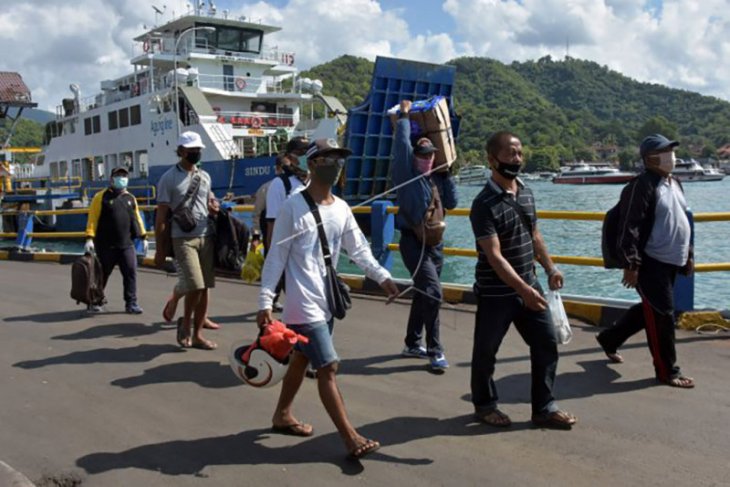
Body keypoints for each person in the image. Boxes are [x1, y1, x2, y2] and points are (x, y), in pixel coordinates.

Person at [257, 138, 399, 460]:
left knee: (302, 359)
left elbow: (359, 250)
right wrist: (265, 301)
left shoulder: (341, 208)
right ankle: (350, 437)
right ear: (311, 164)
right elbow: (276, 257)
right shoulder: (294, 206)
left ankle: (282, 414)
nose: (335, 164)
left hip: (327, 302)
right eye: (327, 158)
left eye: (339, 158)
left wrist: (383, 277)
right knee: (329, 367)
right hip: (302, 305)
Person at [469, 131, 576, 429]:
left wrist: (550, 268)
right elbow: (494, 256)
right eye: (509, 153)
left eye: (519, 153)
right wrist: (524, 290)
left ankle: (544, 407)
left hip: (530, 284)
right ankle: (484, 405)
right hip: (496, 292)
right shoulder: (483, 204)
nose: (516, 159)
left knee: (546, 344)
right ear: (492, 160)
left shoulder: (527, 192)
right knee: (486, 351)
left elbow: (535, 235)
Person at [596, 134, 694, 388]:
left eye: (672, 151)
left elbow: (681, 219)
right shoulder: (641, 185)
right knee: (663, 314)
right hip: (651, 261)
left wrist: (688, 254)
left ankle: (609, 339)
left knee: (650, 308)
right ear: (649, 158)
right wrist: (631, 264)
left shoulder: (674, 183)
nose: (671, 156)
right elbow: (631, 226)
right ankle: (667, 371)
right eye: (665, 152)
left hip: (672, 259)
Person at [392, 99, 457, 371]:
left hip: (435, 245)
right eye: (421, 155)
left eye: (430, 154)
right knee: (433, 292)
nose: (426, 159)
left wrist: (449, 173)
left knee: (423, 293)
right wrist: (405, 116)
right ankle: (435, 350)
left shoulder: (437, 178)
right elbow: (402, 145)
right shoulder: (405, 174)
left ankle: (411, 342)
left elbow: (452, 202)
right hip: (413, 242)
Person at [154, 131, 217, 350]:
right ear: (181, 152)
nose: (196, 154)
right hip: (183, 238)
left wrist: (214, 205)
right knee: (195, 285)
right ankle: (186, 324)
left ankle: (198, 335)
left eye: (198, 150)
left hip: (205, 236)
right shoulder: (168, 178)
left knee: (205, 287)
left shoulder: (205, 176)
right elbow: (161, 216)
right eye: (192, 151)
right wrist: (160, 250)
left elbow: (209, 199)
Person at [84, 166, 147, 314]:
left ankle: (131, 303)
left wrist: (143, 237)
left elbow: (136, 218)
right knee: (102, 274)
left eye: (124, 175)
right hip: (106, 245)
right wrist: (89, 238)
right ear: (112, 178)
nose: (121, 178)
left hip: (126, 244)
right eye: (118, 175)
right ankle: (95, 301)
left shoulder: (130, 198)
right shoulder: (101, 197)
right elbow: (93, 218)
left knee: (130, 272)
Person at [263, 136, 310, 312]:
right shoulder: (280, 184)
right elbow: (272, 223)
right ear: (290, 156)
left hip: (309, 250)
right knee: (298, 303)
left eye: (308, 152)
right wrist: (272, 257)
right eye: (301, 153)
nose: (305, 156)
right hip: (289, 251)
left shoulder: (312, 182)